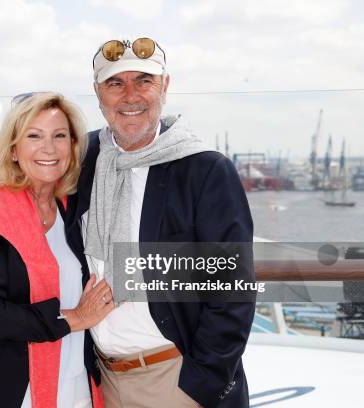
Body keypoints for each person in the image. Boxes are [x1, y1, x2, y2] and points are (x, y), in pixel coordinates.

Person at [66, 37, 255, 407]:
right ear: (98, 93)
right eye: (115, 83)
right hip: (102, 381)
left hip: (175, 379)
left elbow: (234, 288)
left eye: (144, 81)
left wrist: (200, 385)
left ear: (165, 86)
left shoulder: (204, 170)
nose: (130, 95)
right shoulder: (83, 161)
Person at [0, 92, 114, 408]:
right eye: (34, 136)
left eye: (59, 136)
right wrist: (75, 318)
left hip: (76, 383)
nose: (48, 148)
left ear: (73, 147)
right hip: (8, 391)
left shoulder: (72, 210)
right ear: (13, 150)